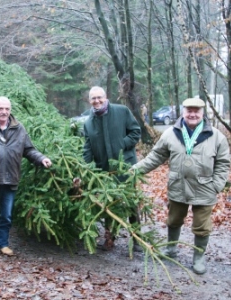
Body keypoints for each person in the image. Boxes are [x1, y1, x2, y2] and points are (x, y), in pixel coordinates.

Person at [131, 98, 230, 274]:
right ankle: (171, 249)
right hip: (178, 187)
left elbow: (223, 163)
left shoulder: (216, 136)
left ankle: (198, 257)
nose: (192, 114)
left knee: (202, 225)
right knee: (174, 220)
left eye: (196, 111)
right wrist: (135, 170)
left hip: (205, 188)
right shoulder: (171, 133)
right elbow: (155, 157)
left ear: (202, 113)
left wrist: (217, 185)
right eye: (189, 111)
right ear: (183, 112)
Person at [0, 96, 52, 259]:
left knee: (6, 215)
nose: (4, 112)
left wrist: (41, 158)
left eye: (7, 109)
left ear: (10, 110)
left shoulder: (19, 128)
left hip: (10, 180)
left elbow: (29, 149)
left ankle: (4, 244)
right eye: (0, 108)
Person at [83, 86, 141, 250]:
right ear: (90, 101)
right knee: (108, 204)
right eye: (93, 98)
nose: (97, 101)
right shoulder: (89, 123)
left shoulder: (122, 111)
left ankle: (137, 239)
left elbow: (135, 132)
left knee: (130, 204)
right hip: (104, 170)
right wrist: (85, 170)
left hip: (126, 167)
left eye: (99, 97)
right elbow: (87, 149)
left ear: (106, 97)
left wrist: (122, 145)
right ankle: (110, 238)